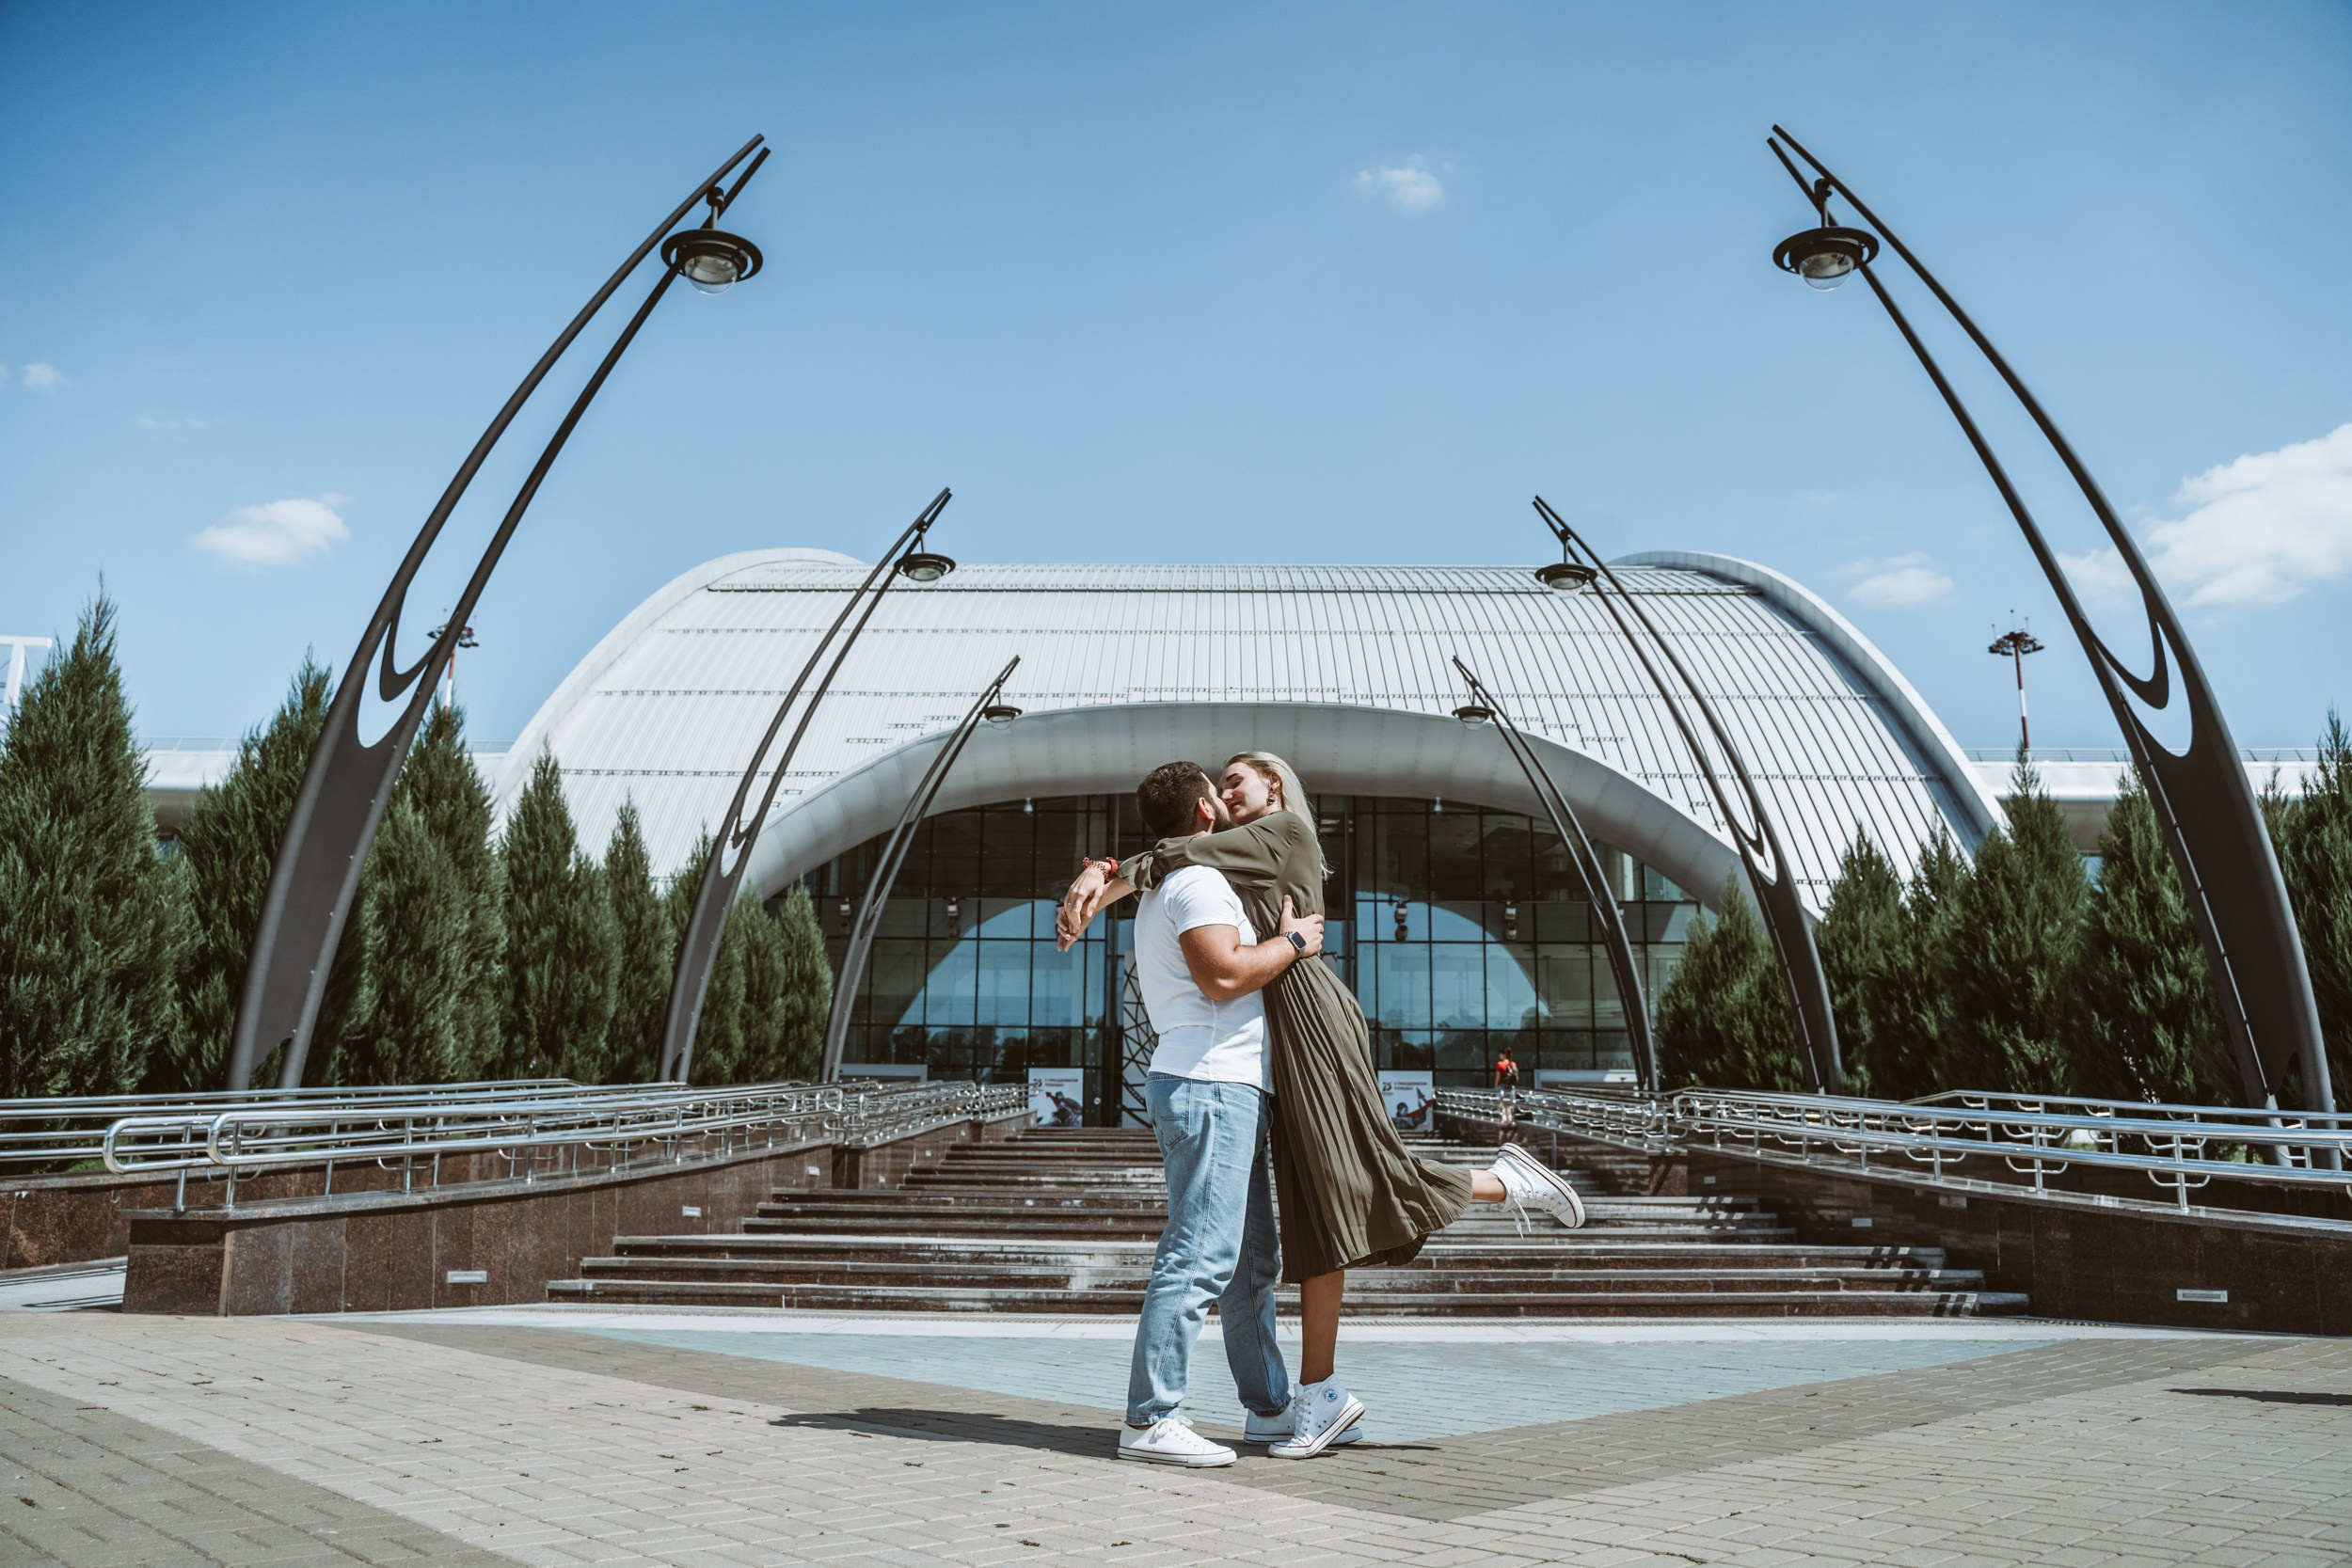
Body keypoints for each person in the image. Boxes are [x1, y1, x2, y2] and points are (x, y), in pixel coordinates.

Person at [1064, 754, 1586, 1461]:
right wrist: (1104, 877)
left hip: (1307, 1019)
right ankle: (1297, 1398)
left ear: (1274, 785)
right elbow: (1174, 855)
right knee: (1308, 1208)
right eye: (1216, 787)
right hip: (1265, 1043)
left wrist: (1102, 874)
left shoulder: (1284, 833)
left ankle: (1501, 1182)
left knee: (1347, 1177)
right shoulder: (1215, 866)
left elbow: (1177, 849)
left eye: (1236, 779)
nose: (1224, 792)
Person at [1115, 761, 1350, 1467]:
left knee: (1252, 1263)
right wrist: (1295, 943)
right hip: (1211, 1081)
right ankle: (1150, 1417)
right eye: (1219, 791)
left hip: (1223, 1083)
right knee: (1200, 1254)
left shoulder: (1167, 882)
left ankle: (1271, 1407)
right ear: (1207, 813)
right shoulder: (1199, 881)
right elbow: (1222, 977)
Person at [1495, 1046, 1520, 1133]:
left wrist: (1495, 1087)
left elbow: (1498, 1077)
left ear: (1503, 1054)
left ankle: (1504, 1120)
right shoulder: (1513, 1064)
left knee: (1502, 1105)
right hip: (1511, 1087)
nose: (1499, 1056)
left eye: (1500, 1054)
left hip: (1502, 1086)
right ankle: (1510, 1121)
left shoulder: (1500, 1064)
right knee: (1509, 1105)